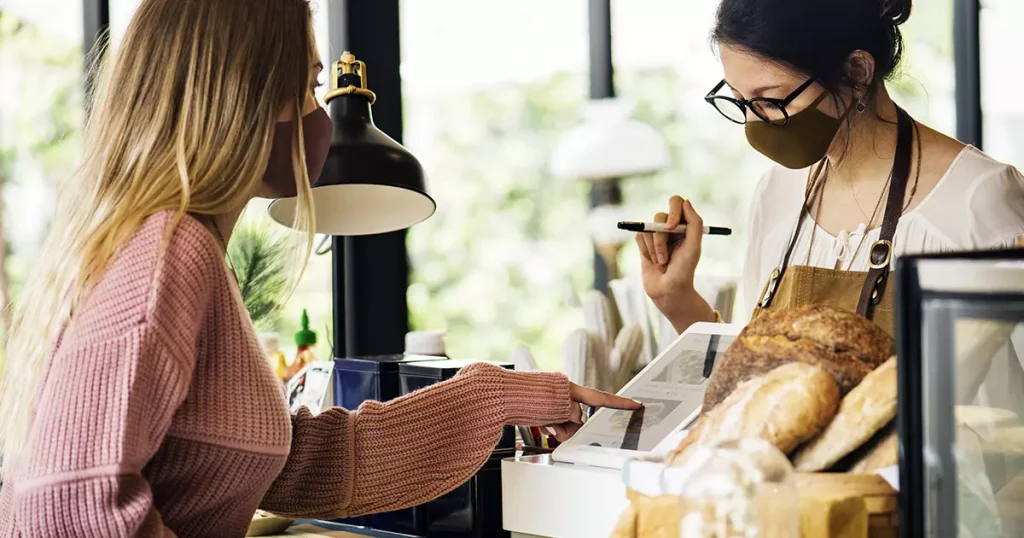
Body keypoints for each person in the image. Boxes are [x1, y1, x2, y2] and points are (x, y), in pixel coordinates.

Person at [0, 1, 639, 536]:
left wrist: (492, 394)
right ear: (244, 94)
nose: (321, 117)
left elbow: (294, 465)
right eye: (308, 87)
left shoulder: (170, 244)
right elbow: (70, 504)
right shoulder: (169, 251)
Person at [638, 0, 1024, 336]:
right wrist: (678, 299)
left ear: (857, 71)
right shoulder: (777, 193)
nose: (755, 124)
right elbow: (753, 385)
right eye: (740, 101)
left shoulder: (978, 199)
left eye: (770, 101)